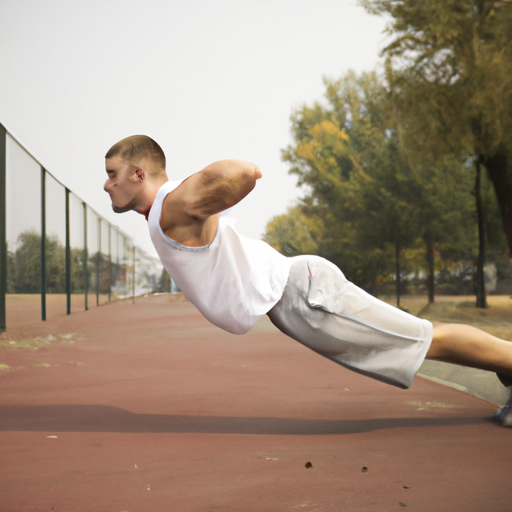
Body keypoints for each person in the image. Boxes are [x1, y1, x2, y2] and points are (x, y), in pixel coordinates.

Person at [104, 134, 512, 426]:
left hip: (304, 295)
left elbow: (246, 172)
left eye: (112, 174)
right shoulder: (163, 210)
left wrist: (191, 197)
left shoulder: (171, 205)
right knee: (417, 344)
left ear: (139, 175)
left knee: (423, 339)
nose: (106, 184)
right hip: (298, 300)